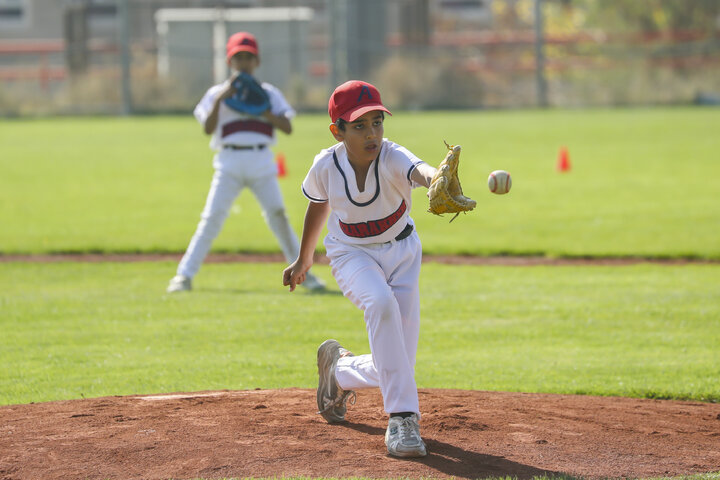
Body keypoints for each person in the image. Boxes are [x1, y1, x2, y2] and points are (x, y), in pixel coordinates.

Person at [282, 80, 440, 458]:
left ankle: (337, 373)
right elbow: (318, 206)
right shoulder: (326, 164)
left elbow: (421, 170)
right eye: (359, 125)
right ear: (337, 130)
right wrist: (305, 258)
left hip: (403, 253)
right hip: (350, 253)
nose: (372, 133)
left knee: (399, 359)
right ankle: (403, 420)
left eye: (377, 122)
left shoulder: (391, 155)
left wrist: (438, 179)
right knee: (381, 305)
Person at [167, 31, 325, 293]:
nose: (243, 62)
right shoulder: (217, 93)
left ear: (257, 61)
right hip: (228, 161)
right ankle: (183, 276)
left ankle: (304, 274)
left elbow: (287, 127)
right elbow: (207, 127)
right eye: (238, 57)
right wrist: (222, 98)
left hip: (262, 159)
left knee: (279, 217)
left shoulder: (268, 93)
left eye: (248, 57)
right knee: (211, 218)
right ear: (230, 62)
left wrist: (262, 109)